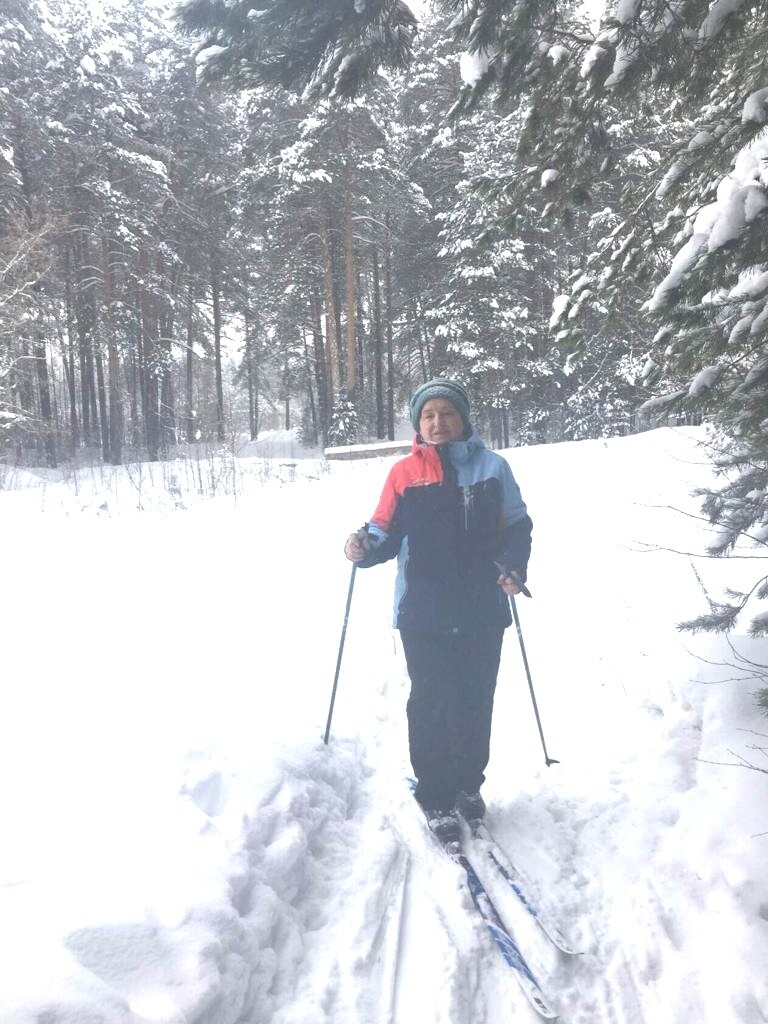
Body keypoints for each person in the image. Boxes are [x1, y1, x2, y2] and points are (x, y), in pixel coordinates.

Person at [344, 378, 532, 844]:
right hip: (423, 612)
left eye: (447, 413)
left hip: (482, 607)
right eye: (428, 415)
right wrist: (363, 546)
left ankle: (468, 786)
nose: (438, 422)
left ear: (463, 418)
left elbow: (517, 525)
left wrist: (513, 565)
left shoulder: (493, 468)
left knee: (475, 697)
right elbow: (383, 530)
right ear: (417, 423)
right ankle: (435, 794)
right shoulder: (403, 474)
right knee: (431, 701)